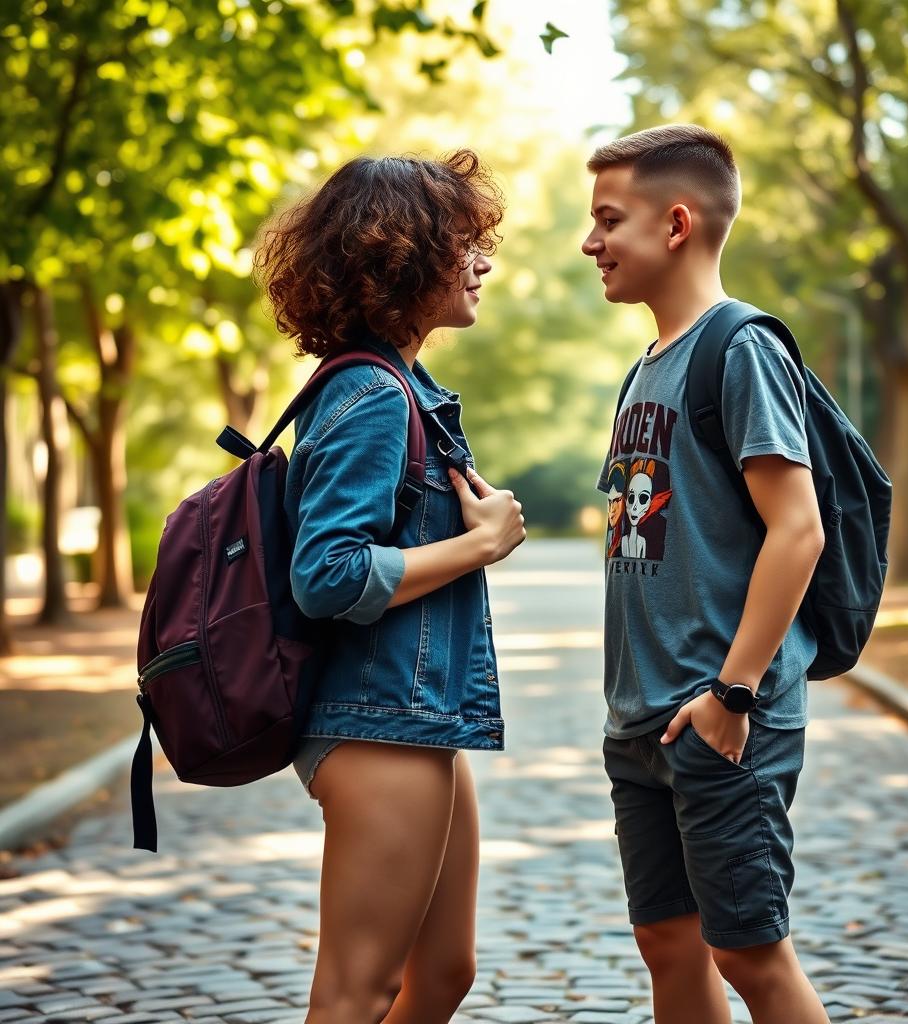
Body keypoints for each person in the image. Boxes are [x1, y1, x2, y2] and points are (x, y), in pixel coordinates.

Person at [254, 150, 526, 1024]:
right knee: (355, 993)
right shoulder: (371, 394)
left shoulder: (399, 386)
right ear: (405, 255)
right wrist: (478, 546)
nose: (483, 262)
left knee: (442, 973)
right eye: (464, 244)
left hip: (418, 718)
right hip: (376, 723)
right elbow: (327, 575)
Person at [583, 124, 831, 1024]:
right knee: (669, 945)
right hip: (642, 716)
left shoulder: (742, 347)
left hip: (722, 713)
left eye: (610, 220)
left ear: (676, 223)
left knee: (749, 953)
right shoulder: (645, 365)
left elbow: (796, 529)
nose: (591, 241)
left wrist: (733, 692)